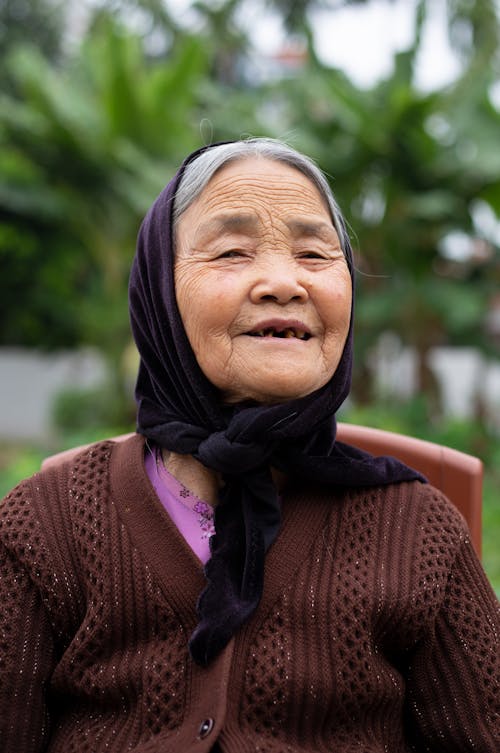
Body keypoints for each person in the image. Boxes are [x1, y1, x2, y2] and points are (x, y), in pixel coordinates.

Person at [0, 138, 498, 753]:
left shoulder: (418, 532)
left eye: (315, 253)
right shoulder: (46, 524)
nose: (282, 283)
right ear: (159, 289)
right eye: (233, 252)